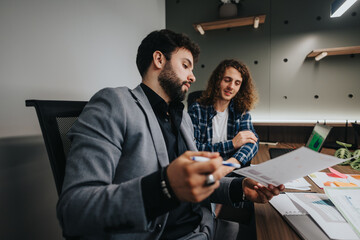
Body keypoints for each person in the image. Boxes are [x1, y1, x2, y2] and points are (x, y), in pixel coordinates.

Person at [57, 29, 284, 240]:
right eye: (186, 65)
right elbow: (74, 212)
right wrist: (165, 187)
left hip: (205, 226)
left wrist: (238, 188)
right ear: (158, 60)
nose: (193, 77)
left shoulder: (181, 116)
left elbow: (194, 180)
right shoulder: (114, 104)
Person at [188, 59, 259, 173]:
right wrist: (232, 144)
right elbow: (193, 148)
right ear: (217, 81)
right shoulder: (197, 109)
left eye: (237, 83)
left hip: (232, 171)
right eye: (227, 80)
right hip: (204, 171)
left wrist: (230, 164)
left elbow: (252, 142)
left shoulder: (241, 111)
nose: (231, 86)